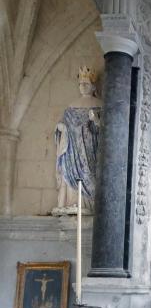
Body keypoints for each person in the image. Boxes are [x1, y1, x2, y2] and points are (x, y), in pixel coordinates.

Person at [53, 67, 101, 214]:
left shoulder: (100, 104)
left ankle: (89, 205)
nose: (83, 86)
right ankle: (73, 202)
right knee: (71, 173)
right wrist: (61, 128)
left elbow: (106, 131)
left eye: (86, 83)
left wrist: (96, 120)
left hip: (91, 151)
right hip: (73, 151)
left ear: (93, 86)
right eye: (80, 84)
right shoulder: (71, 107)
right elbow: (62, 124)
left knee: (91, 175)